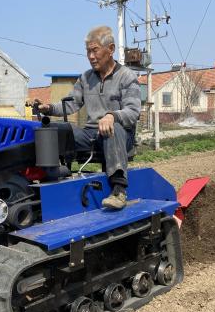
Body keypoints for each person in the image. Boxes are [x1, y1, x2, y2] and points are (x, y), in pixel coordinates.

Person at [36, 26, 141, 209]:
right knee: (56, 131)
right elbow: (71, 104)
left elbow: (133, 112)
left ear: (111, 49)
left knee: (112, 128)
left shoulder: (127, 77)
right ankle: (52, 176)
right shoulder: (86, 78)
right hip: (91, 134)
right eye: (88, 51)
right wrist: (49, 108)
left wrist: (112, 116)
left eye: (95, 50)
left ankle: (118, 190)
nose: (91, 56)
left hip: (120, 135)